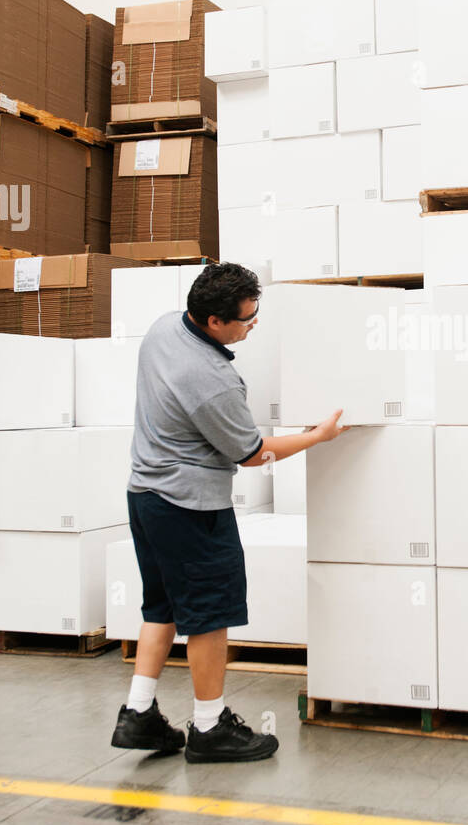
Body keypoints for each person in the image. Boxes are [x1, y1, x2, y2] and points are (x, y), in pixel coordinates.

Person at [110, 262, 348, 762]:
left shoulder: (164, 327)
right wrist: (315, 437)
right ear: (215, 322)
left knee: (163, 606)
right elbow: (252, 453)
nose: (253, 324)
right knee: (208, 616)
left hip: (145, 496)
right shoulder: (213, 379)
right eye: (246, 318)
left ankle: (139, 713)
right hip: (189, 507)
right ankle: (210, 726)